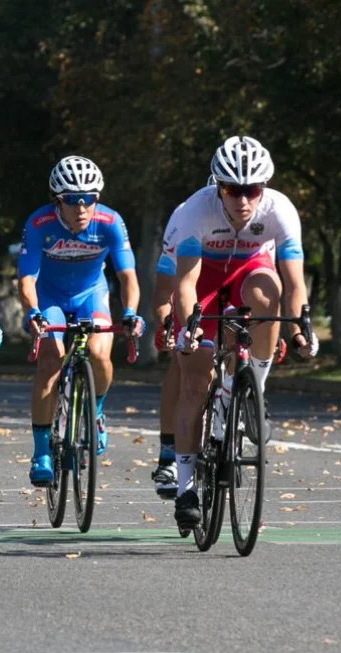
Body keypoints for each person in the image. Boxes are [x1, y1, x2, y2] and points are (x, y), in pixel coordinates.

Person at [170, 136, 316, 528]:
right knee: (195, 378)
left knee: (267, 292)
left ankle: (255, 390)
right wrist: (188, 330)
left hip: (248, 272)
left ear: (263, 188)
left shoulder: (280, 210)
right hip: (203, 278)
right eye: (233, 190)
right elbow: (184, 283)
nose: (243, 200)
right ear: (218, 187)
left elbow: (294, 281)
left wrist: (302, 324)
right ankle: (185, 488)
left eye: (252, 190)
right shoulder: (193, 212)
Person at [17, 156, 144, 486]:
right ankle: (42, 451)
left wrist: (130, 312)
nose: (82, 207)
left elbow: (127, 275)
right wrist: (32, 312)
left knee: (101, 354)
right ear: (57, 201)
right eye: (72, 200)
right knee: (50, 361)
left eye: (89, 198)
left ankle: (96, 410)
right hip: (50, 298)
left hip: (91, 294)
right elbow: (27, 279)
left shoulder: (111, 222)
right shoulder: (39, 223)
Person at [150, 175, 217, 499]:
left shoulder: (259, 216)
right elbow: (165, 290)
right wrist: (166, 324)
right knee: (181, 364)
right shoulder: (186, 215)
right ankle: (168, 451)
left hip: (231, 289)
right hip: (190, 290)